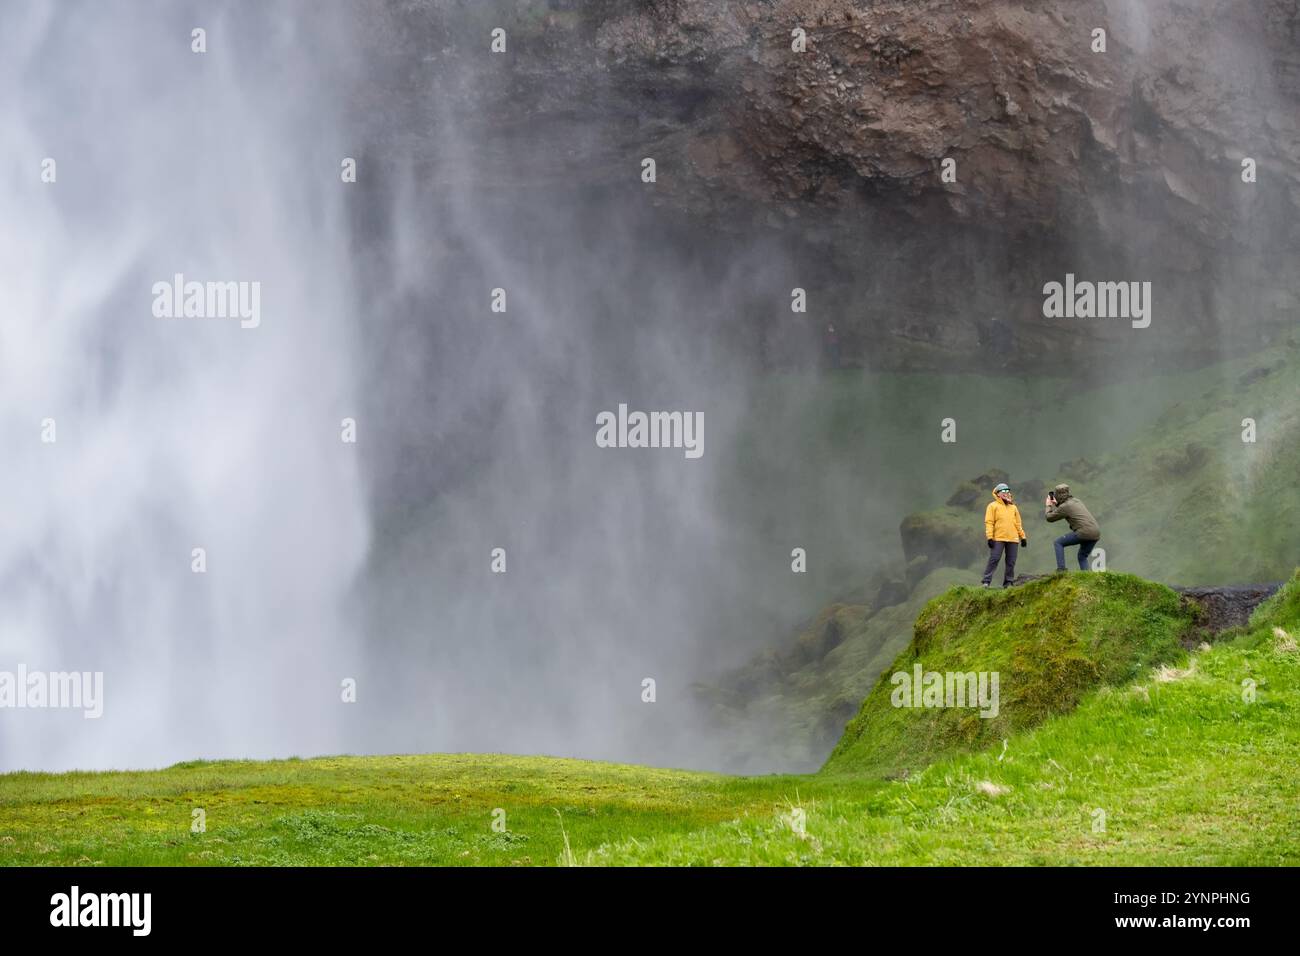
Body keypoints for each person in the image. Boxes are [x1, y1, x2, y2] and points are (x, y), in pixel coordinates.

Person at [1044, 483, 1100, 571]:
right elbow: (1067, 509)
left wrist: (1048, 505)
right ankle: (1087, 577)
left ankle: (1061, 570)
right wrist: (1057, 504)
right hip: (1096, 532)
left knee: (1058, 542)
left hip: (1084, 532)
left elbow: (1049, 518)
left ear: (1058, 495)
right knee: (1082, 556)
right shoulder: (1076, 500)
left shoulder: (1064, 507)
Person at [982, 482, 1027, 588]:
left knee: (1011, 561)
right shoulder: (992, 506)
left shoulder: (1013, 507)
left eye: (1008, 491)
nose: (1006, 493)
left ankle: (1008, 582)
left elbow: (1018, 523)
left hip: (1013, 538)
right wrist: (990, 537)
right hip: (998, 538)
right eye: (1003, 491)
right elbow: (989, 522)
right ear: (997, 494)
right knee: (994, 559)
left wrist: (1023, 537)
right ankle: (986, 581)